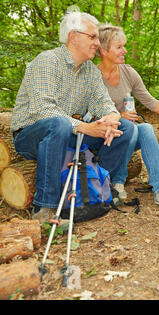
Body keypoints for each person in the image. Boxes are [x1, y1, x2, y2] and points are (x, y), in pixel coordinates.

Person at [11, 11, 135, 224]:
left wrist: (112, 117)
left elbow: (103, 103)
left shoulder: (90, 71)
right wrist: (86, 128)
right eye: (93, 37)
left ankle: (97, 188)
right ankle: (45, 209)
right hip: (32, 135)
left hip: (70, 133)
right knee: (58, 124)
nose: (98, 42)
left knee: (126, 129)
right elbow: (43, 110)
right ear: (73, 36)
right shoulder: (47, 61)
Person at [97, 24, 159, 212]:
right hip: (102, 139)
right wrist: (118, 117)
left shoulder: (128, 72)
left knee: (146, 129)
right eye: (119, 47)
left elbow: (151, 102)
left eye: (124, 46)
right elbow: (86, 115)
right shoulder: (92, 76)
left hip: (128, 135)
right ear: (103, 50)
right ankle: (117, 181)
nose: (124, 50)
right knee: (129, 125)